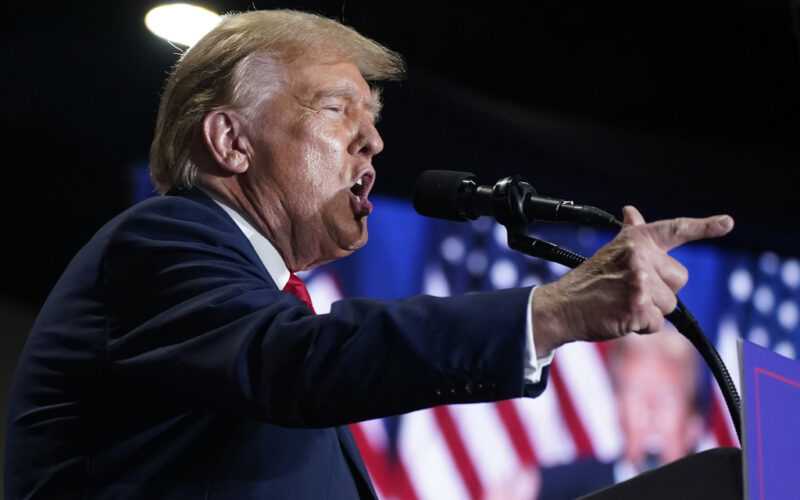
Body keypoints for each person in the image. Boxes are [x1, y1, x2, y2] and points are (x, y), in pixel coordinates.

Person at [3, 9, 733, 499]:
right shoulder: (158, 242)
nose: (373, 140)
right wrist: (554, 311)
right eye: (336, 108)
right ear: (231, 141)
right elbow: (296, 362)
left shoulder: (252, 296)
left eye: (373, 118)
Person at [535, 327, 705, 499]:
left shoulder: (721, 491)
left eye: (667, 396)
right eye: (636, 393)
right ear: (618, 409)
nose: (650, 410)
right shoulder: (561, 490)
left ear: (693, 425)